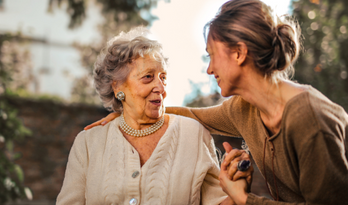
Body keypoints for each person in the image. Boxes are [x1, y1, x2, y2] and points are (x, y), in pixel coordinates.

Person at [84, 0, 348, 204]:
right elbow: (193, 115)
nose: (209, 69)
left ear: (239, 53)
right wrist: (130, 113)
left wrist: (245, 199)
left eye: (212, 55)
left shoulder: (309, 119)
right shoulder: (244, 109)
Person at [57, 27, 253, 205]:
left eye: (163, 78)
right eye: (148, 77)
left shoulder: (193, 134)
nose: (160, 88)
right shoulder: (88, 143)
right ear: (117, 86)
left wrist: (238, 188)